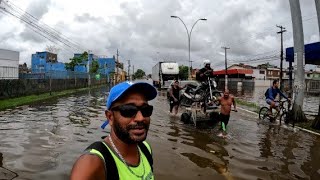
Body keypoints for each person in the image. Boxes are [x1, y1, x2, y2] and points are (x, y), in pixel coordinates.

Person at [70, 81, 157, 180]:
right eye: (129, 110)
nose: (140, 118)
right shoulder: (92, 164)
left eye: (146, 110)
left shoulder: (145, 148)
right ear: (110, 117)